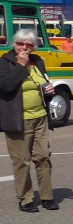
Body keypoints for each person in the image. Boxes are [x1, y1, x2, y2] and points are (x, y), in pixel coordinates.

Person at [0, 28, 58, 211]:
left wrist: (48, 91)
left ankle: (47, 196)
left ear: (34, 47)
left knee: (42, 157)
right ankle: (25, 199)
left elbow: (43, 82)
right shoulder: (5, 62)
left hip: (39, 117)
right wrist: (20, 65)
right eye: (20, 44)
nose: (23, 48)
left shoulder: (38, 61)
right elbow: (6, 87)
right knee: (22, 161)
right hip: (18, 120)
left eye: (28, 45)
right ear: (14, 44)